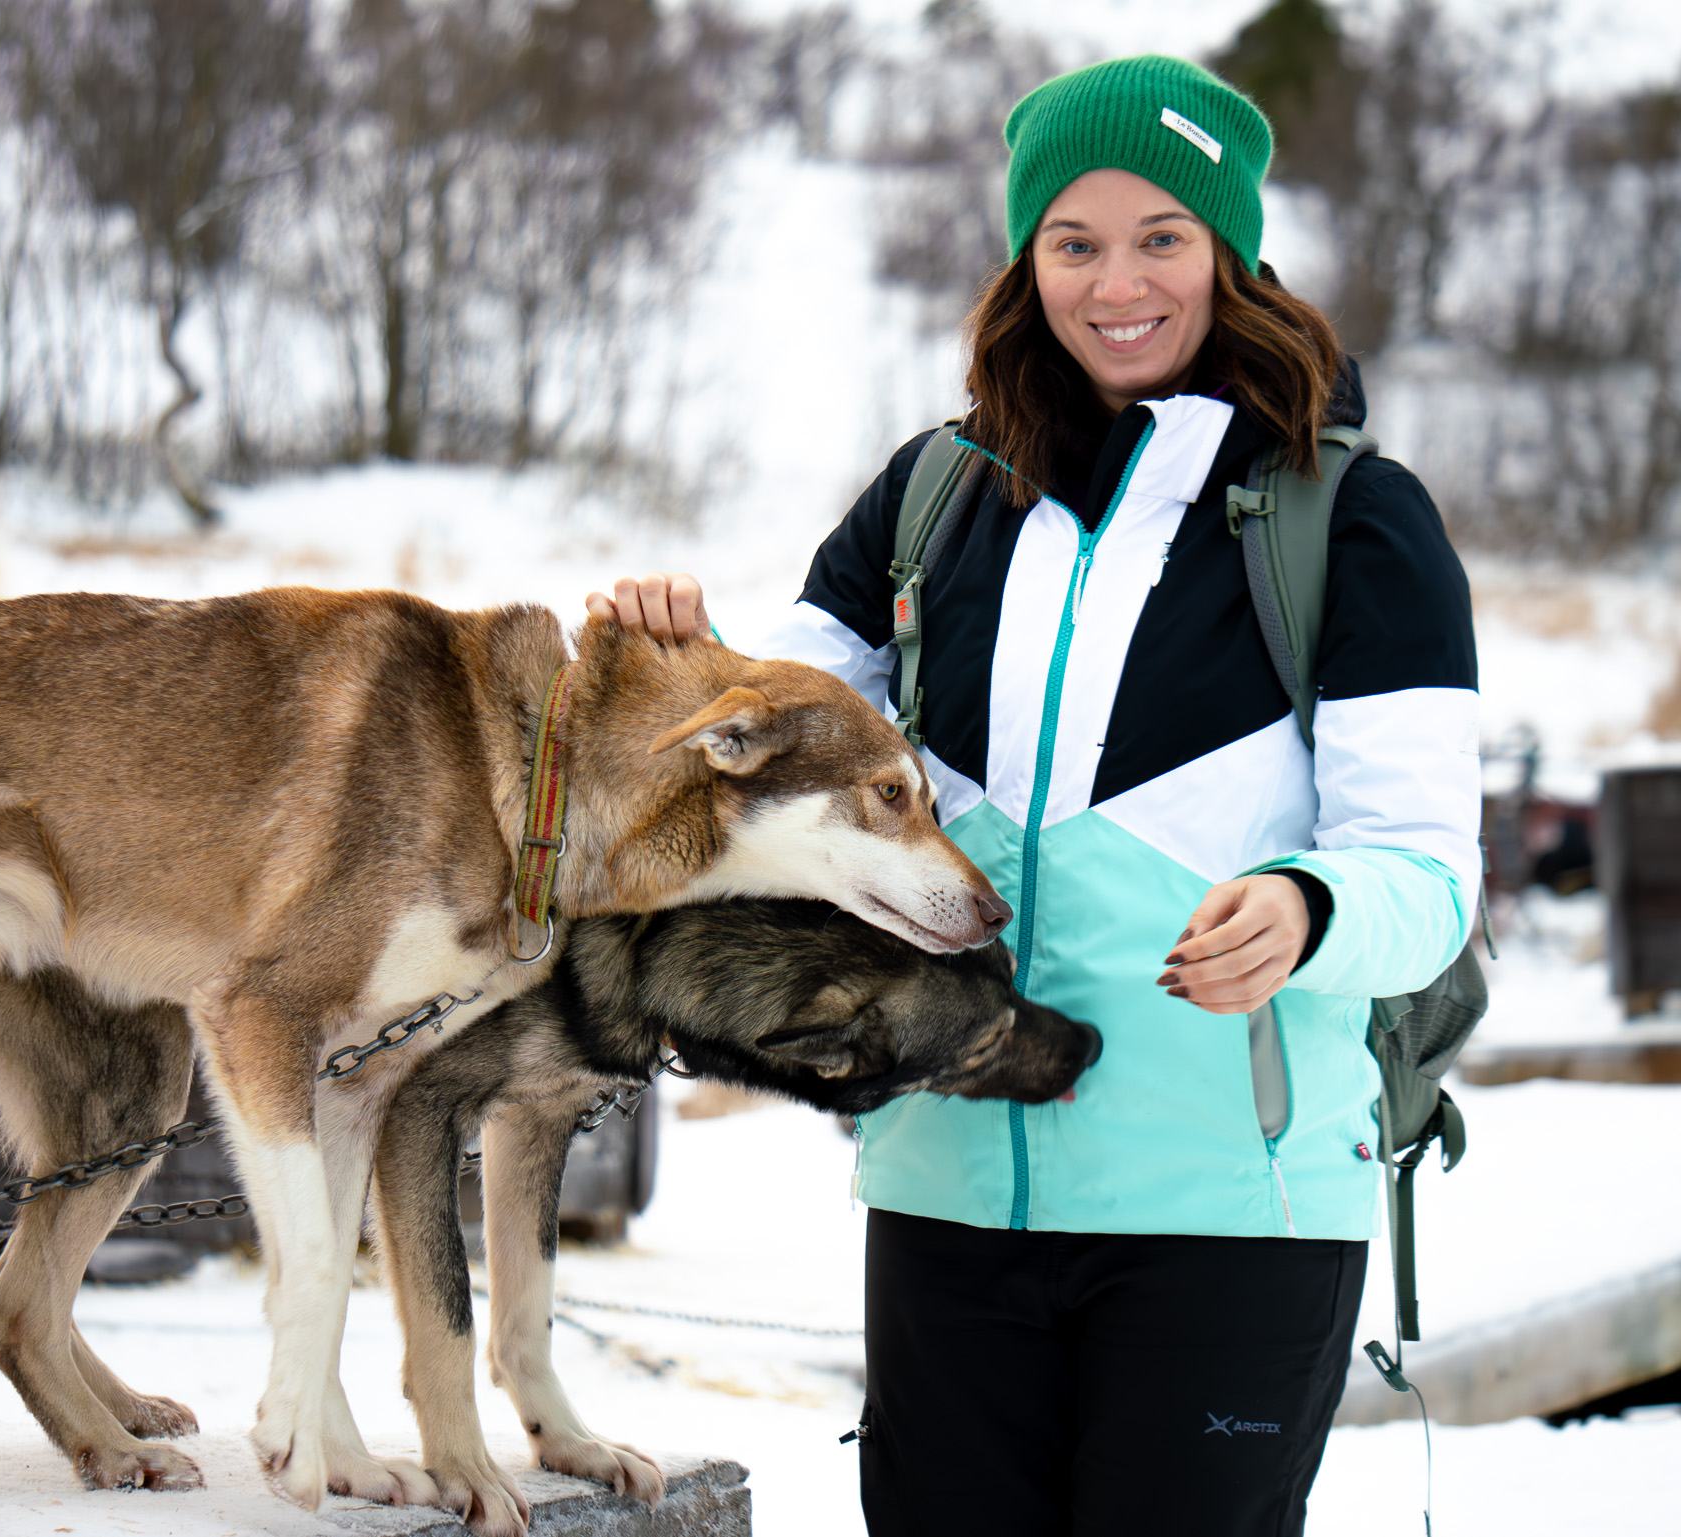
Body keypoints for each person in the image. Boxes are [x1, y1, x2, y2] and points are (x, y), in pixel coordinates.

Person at [588, 53, 1479, 1537]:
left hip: (1223, 1221)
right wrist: (672, 669)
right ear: (1025, 260)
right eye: (1073, 241)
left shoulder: (1351, 519)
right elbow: (769, 759)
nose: (1115, 282)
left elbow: (1431, 881)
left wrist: (1308, 908)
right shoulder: (933, 495)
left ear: (1229, 253)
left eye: (1160, 239)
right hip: (943, 1191)